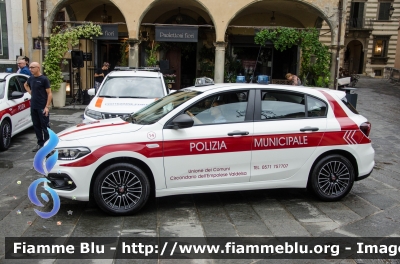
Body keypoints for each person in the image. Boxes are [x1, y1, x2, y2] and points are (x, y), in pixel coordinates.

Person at [23, 62, 52, 152]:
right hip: (34, 106)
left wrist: (47, 106)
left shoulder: (44, 79)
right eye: (30, 67)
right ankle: (40, 143)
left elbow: (49, 93)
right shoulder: (31, 78)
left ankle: (48, 145)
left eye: (32, 67)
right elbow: (25, 84)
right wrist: (31, 92)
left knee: (45, 126)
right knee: (36, 126)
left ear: (38, 68)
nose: (30, 69)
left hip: (42, 106)